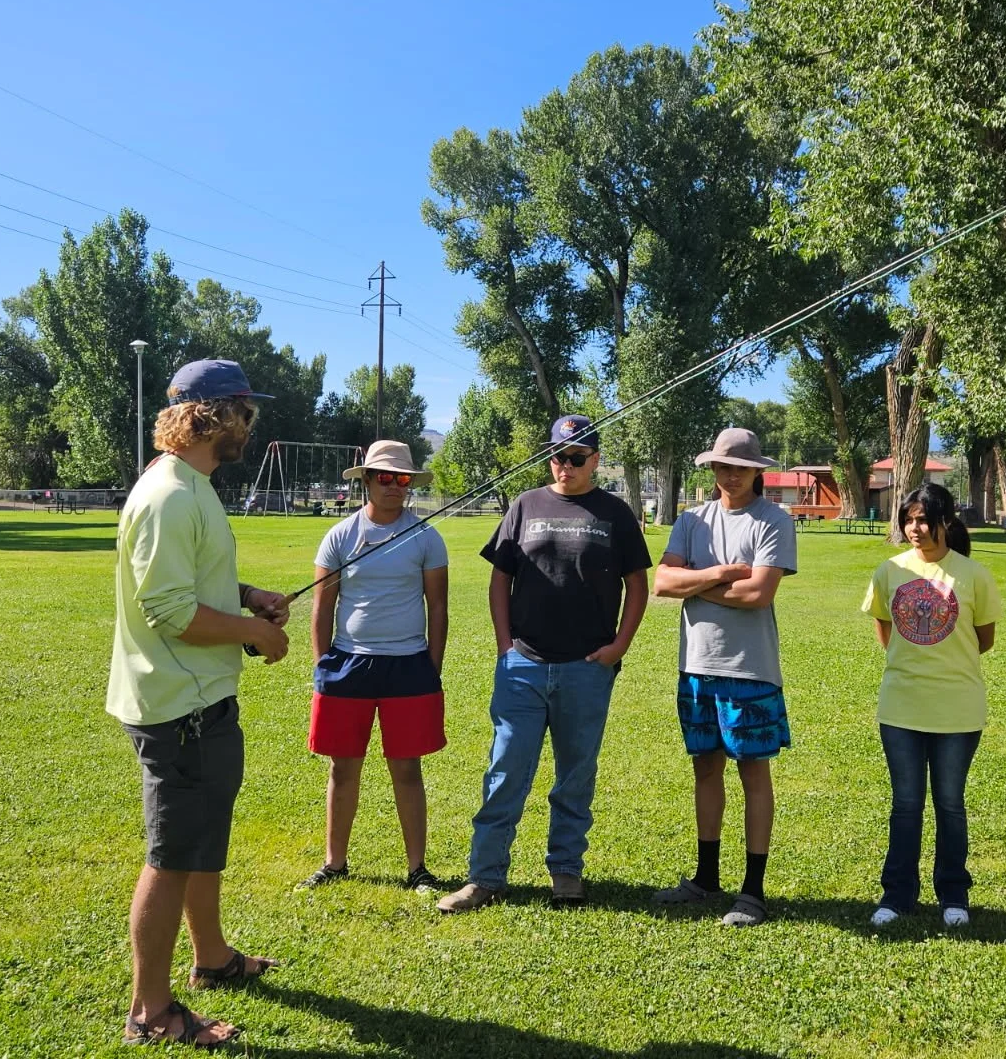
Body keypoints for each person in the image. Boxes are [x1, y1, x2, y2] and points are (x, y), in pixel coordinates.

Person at [109, 359, 291, 1049]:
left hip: (201, 698)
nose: (251, 424)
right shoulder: (170, 495)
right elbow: (168, 609)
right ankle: (151, 1012)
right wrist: (256, 634)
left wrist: (246, 597)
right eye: (246, 410)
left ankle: (212, 958)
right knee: (172, 853)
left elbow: (194, 578)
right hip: (176, 707)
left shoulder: (193, 488)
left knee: (199, 841)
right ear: (214, 414)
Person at [439, 415, 651, 912]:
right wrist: (503, 644)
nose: (565, 465)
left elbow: (637, 584)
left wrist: (619, 646)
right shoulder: (525, 505)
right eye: (558, 456)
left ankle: (566, 872)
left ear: (595, 459)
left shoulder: (614, 513)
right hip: (524, 666)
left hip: (587, 667)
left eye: (576, 457)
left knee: (575, 775)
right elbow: (500, 577)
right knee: (506, 770)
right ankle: (485, 877)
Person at [652, 428, 796, 928]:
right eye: (721, 466)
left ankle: (752, 891)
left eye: (739, 467)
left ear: (757, 470)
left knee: (753, 774)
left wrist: (694, 583)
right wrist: (721, 574)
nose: (729, 475)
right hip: (696, 667)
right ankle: (706, 878)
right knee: (705, 769)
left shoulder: (774, 520)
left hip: (749, 670)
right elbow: (662, 582)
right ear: (710, 469)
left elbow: (759, 595)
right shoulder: (692, 520)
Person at [296, 440, 449, 895]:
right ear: (365, 481)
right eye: (385, 477)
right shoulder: (340, 536)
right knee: (343, 769)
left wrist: (431, 666)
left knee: (407, 769)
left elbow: (437, 607)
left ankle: (417, 869)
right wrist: (324, 665)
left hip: (408, 667)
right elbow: (322, 608)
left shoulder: (425, 536)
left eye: (402, 479)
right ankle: (334, 863)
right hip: (348, 666)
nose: (394, 487)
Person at [861, 482, 1001, 928]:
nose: (914, 528)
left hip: (957, 709)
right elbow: (886, 629)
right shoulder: (889, 570)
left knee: (950, 803)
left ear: (946, 521)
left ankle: (953, 894)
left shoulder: (973, 575)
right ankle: (897, 894)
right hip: (901, 706)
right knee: (905, 804)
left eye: (923, 519)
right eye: (908, 519)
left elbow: (984, 640)